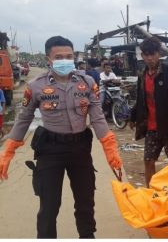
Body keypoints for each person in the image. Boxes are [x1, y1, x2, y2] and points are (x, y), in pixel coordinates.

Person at [0, 36, 122, 238]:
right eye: (59, 57)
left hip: (80, 148)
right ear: (49, 59)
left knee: (85, 202)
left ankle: (87, 236)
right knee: (49, 205)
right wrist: (8, 151)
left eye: (69, 56)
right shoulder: (36, 86)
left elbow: (98, 117)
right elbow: (24, 119)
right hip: (50, 149)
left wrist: (110, 148)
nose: (65, 60)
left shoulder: (87, 82)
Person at [129, 37, 168, 187]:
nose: (149, 58)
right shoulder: (143, 74)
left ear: (158, 54)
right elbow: (140, 99)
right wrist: (133, 117)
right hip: (151, 128)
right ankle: (151, 191)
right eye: (146, 54)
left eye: (152, 54)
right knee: (148, 160)